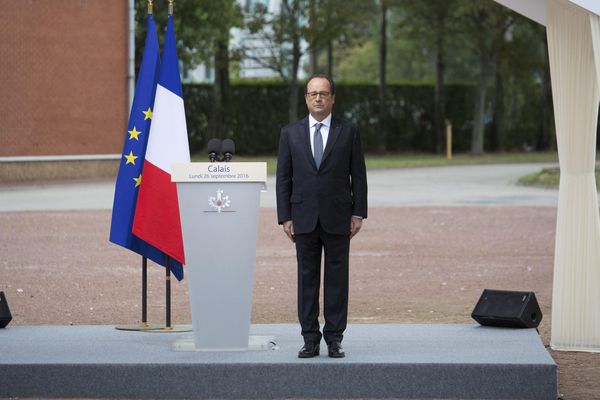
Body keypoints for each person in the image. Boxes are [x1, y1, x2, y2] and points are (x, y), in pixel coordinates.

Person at [276, 74, 368, 358]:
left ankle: (335, 338)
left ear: (332, 98)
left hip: (339, 216)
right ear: (306, 98)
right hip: (302, 217)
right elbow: (283, 178)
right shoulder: (290, 133)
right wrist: (285, 217)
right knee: (307, 279)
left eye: (324, 93)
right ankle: (310, 338)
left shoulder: (348, 131)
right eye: (313, 93)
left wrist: (358, 213)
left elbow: (359, 175)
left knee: (337, 279)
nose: (318, 98)